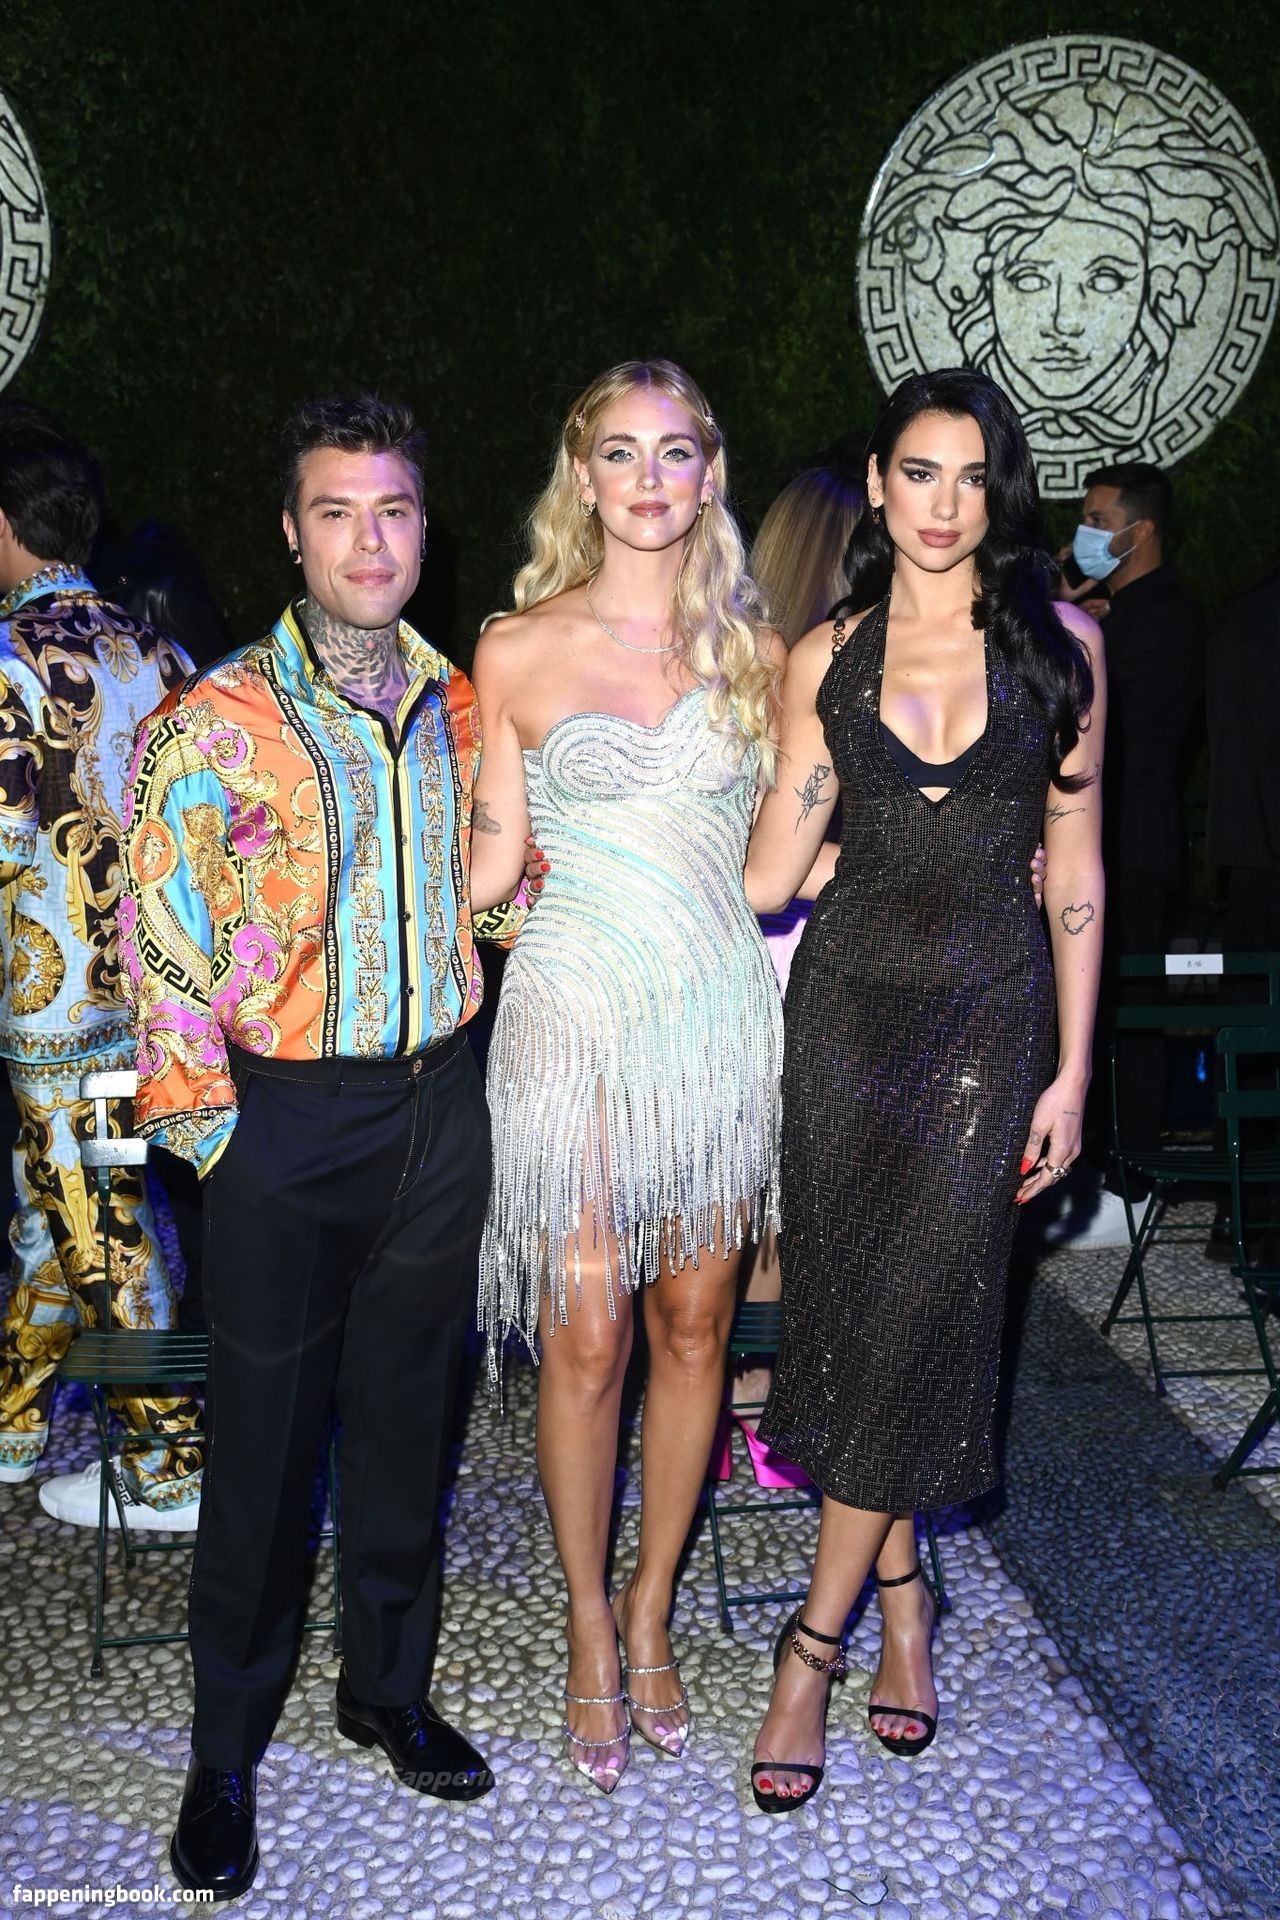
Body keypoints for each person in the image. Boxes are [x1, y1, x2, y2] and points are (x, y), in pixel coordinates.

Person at [120, 394, 494, 1903]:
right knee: (265, 1461)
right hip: (284, 1123)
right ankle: (224, 1750)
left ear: (423, 527)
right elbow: (159, 940)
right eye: (336, 511)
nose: (369, 540)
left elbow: (497, 891)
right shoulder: (212, 720)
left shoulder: (465, 702)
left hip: (439, 1110)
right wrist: (220, 1147)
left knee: (408, 1431)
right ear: (292, 532)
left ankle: (385, 1693)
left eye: (392, 510)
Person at [742, 367, 1104, 1810]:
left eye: (968, 477)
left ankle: (810, 1648)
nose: (942, 504)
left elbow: (1073, 873)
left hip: (986, 1026)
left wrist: (1072, 1068)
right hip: (844, 1019)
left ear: (994, 494)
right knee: (848, 1318)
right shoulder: (824, 655)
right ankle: (906, 1606)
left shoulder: (1061, 648)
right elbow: (770, 874)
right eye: (916, 473)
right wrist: (848, 844)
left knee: (915, 1314)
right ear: (877, 487)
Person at [467, 359, 789, 1792]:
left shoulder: (764, 658)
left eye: (674, 451)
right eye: (619, 451)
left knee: (697, 1324)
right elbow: (486, 865)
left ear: (708, 473)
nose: (648, 478)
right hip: (570, 1013)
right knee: (586, 1328)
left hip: (711, 1012)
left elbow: (793, 851)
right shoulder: (512, 649)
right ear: (580, 475)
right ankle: (589, 1619)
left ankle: (653, 1607)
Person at [0, 401, 202, 1524]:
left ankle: (169, 1461)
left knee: (98, 1222)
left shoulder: (7, 660)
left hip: (55, 1012)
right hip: (151, 1004)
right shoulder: (156, 649)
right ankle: (14, 1420)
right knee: (69, 1208)